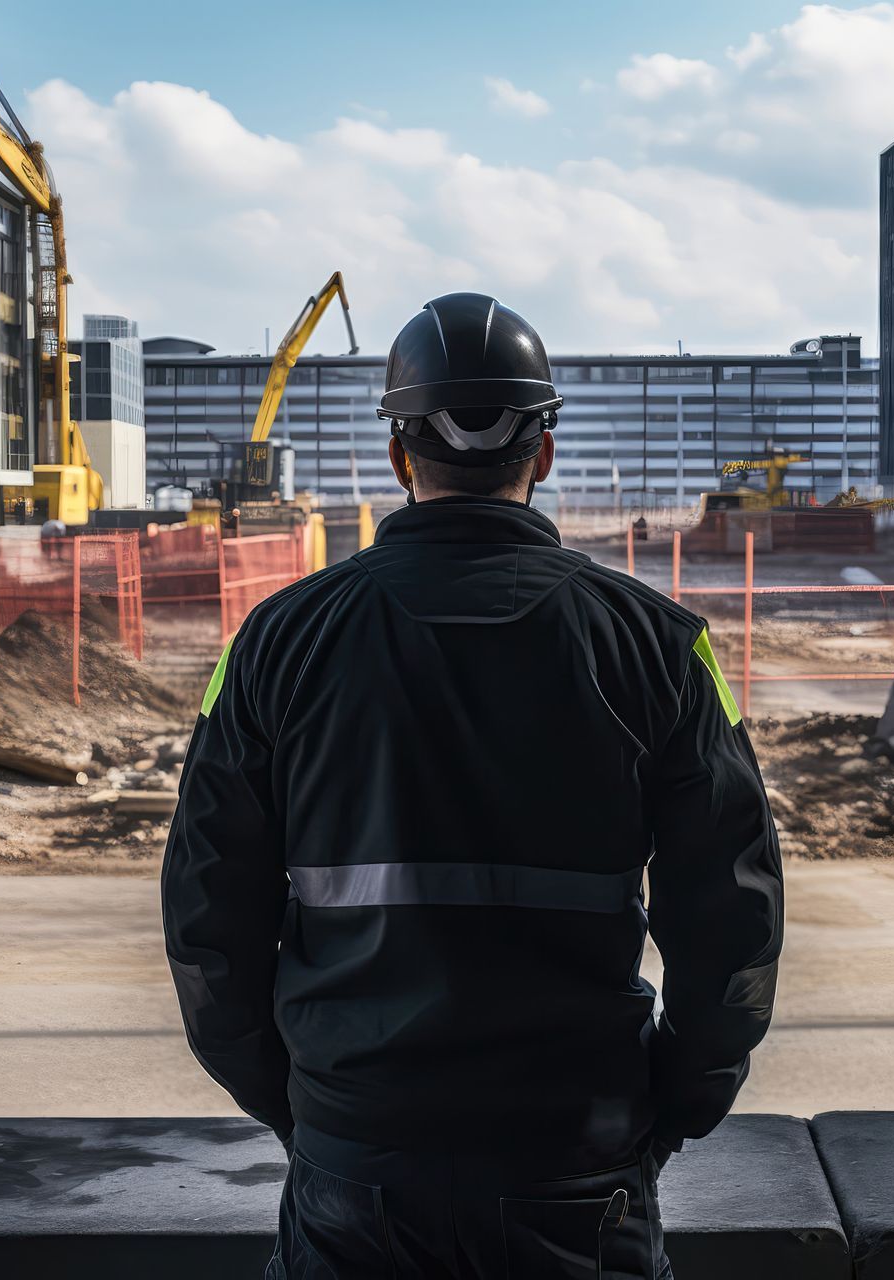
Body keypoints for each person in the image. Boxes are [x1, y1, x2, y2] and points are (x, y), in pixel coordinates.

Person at [163, 292, 782, 1278]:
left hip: (355, 1157)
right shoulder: (661, 646)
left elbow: (206, 918)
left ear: (399, 453)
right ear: (543, 449)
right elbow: (735, 918)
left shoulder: (276, 642)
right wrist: (675, 1101)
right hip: (577, 1155)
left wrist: (309, 1107)